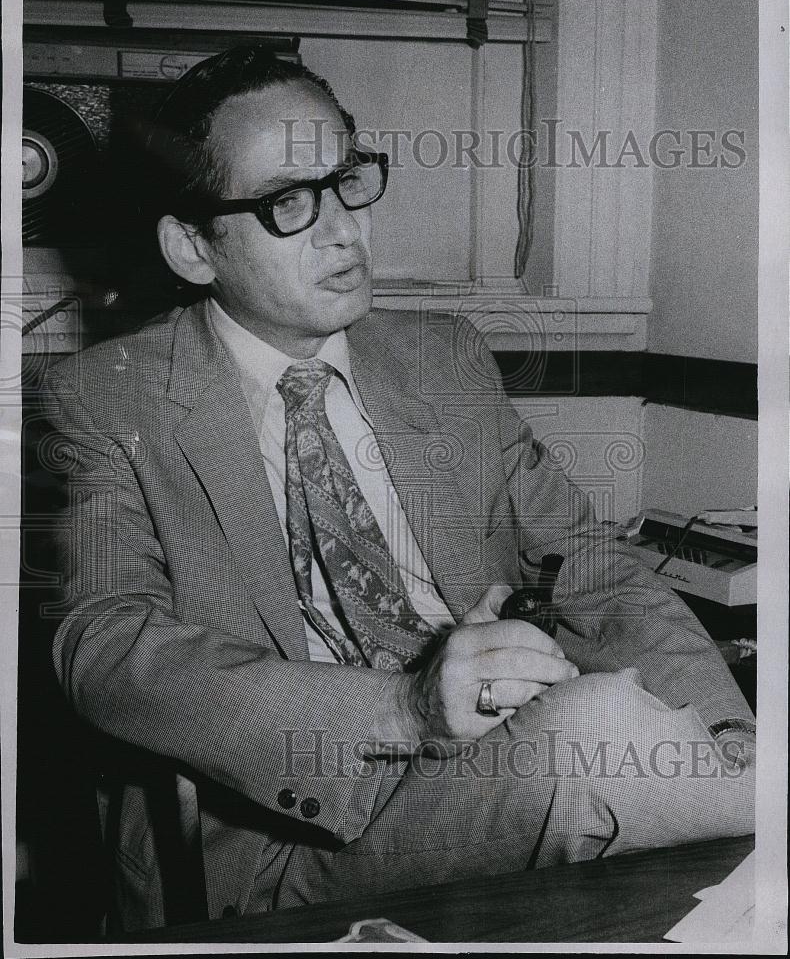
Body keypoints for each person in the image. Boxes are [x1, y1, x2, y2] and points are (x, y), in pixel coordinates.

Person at [45, 46, 755, 933]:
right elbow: (101, 647)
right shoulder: (110, 394)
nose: (343, 230)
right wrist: (405, 709)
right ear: (194, 247)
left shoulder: (440, 355)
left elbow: (592, 564)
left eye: (347, 181)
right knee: (602, 729)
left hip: (502, 765)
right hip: (280, 839)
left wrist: (728, 733)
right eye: (286, 203)